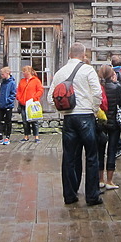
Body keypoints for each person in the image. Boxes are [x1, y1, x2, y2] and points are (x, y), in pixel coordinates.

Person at [48, 42, 103, 206]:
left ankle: (70, 195)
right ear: (84, 55)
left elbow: (51, 97)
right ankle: (92, 196)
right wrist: (93, 109)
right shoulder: (87, 70)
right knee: (92, 157)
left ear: (69, 54)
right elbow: (97, 92)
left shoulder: (60, 72)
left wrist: (63, 111)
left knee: (70, 157)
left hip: (69, 119)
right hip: (86, 116)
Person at [97, 65, 121, 190]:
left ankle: (100, 180)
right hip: (114, 123)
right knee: (112, 151)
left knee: (100, 151)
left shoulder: (99, 88)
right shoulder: (117, 87)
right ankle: (109, 181)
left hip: (101, 122)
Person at [16, 65, 43, 143]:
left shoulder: (36, 80)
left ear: (28, 72)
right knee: (25, 121)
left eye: (24, 71)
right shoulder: (22, 81)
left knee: (34, 120)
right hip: (23, 104)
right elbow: (19, 91)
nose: (23, 73)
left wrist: (34, 98)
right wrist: (19, 98)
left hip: (32, 104)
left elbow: (40, 90)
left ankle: (36, 136)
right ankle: (26, 136)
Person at [0, 66, 16, 145]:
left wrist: (8, 101)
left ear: (7, 73)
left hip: (8, 105)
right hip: (1, 104)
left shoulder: (12, 83)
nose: (1, 76)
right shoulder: (3, 82)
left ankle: (7, 137)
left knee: (8, 121)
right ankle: (0, 136)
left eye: (3, 74)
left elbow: (13, 94)